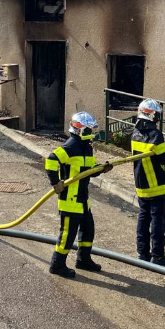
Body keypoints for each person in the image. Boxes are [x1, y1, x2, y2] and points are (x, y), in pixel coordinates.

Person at [45, 111, 113, 278]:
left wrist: (100, 170)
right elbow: (51, 160)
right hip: (70, 200)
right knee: (68, 234)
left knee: (88, 230)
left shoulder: (86, 147)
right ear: (79, 130)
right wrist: (56, 182)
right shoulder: (71, 146)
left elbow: (87, 171)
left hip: (82, 199)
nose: (92, 134)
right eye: (89, 130)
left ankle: (83, 259)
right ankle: (57, 264)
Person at [131, 99, 165, 266]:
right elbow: (164, 158)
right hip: (157, 186)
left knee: (143, 218)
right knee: (157, 222)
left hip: (142, 185)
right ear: (153, 115)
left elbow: (150, 151)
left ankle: (142, 253)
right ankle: (157, 255)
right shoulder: (156, 134)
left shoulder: (135, 133)